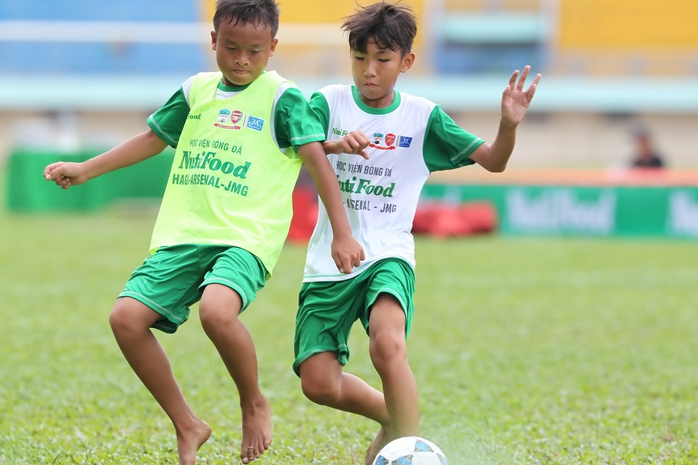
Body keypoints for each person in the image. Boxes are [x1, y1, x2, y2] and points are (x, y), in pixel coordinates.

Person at [43, 1, 364, 464]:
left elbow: (317, 160)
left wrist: (341, 233)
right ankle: (188, 425)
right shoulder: (196, 91)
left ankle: (253, 402)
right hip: (183, 234)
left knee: (217, 310)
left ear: (272, 49)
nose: (241, 60)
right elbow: (152, 138)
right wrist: (85, 169)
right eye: (230, 48)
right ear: (213, 41)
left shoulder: (283, 98)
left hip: (244, 237)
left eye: (254, 51)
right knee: (125, 319)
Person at [292, 2, 541, 463]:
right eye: (359, 58)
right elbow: (299, 150)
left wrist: (507, 125)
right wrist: (332, 143)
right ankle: (394, 420)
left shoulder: (423, 117)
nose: (369, 71)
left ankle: (408, 452)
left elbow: (494, 160)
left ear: (406, 62)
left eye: (382, 60)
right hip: (329, 260)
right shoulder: (326, 103)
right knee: (317, 383)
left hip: (388, 253)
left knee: (388, 344)